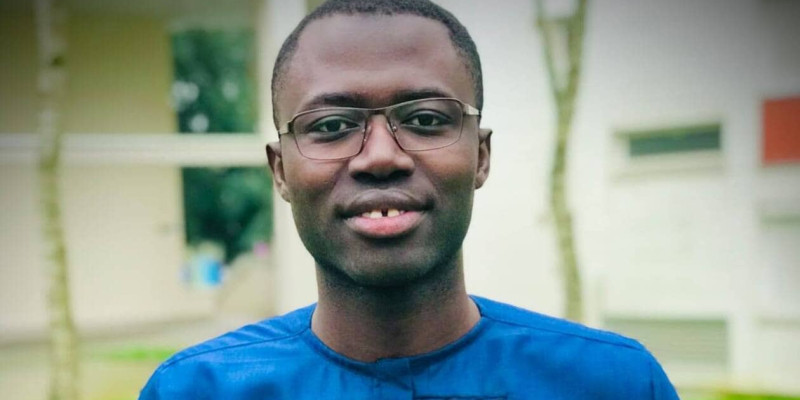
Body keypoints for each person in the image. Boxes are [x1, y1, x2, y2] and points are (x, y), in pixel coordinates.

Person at [140, 0, 680, 398]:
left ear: (481, 157)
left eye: (425, 119)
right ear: (281, 171)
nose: (380, 157)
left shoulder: (616, 384)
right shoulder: (194, 390)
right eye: (331, 125)